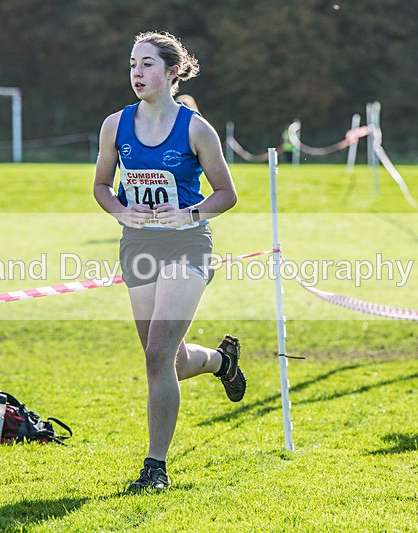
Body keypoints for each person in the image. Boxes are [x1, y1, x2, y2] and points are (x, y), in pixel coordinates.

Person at [93, 31, 245, 492]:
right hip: (138, 246)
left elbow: (227, 194)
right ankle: (221, 361)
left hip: (187, 245)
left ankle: (154, 466)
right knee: (166, 360)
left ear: (172, 71)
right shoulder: (114, 125)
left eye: (147, 65)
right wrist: (123, 211)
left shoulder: (197, 128)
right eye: (133, 65)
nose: (137, 73)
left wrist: (189, 213)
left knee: (157, 355)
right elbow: (101, 186)